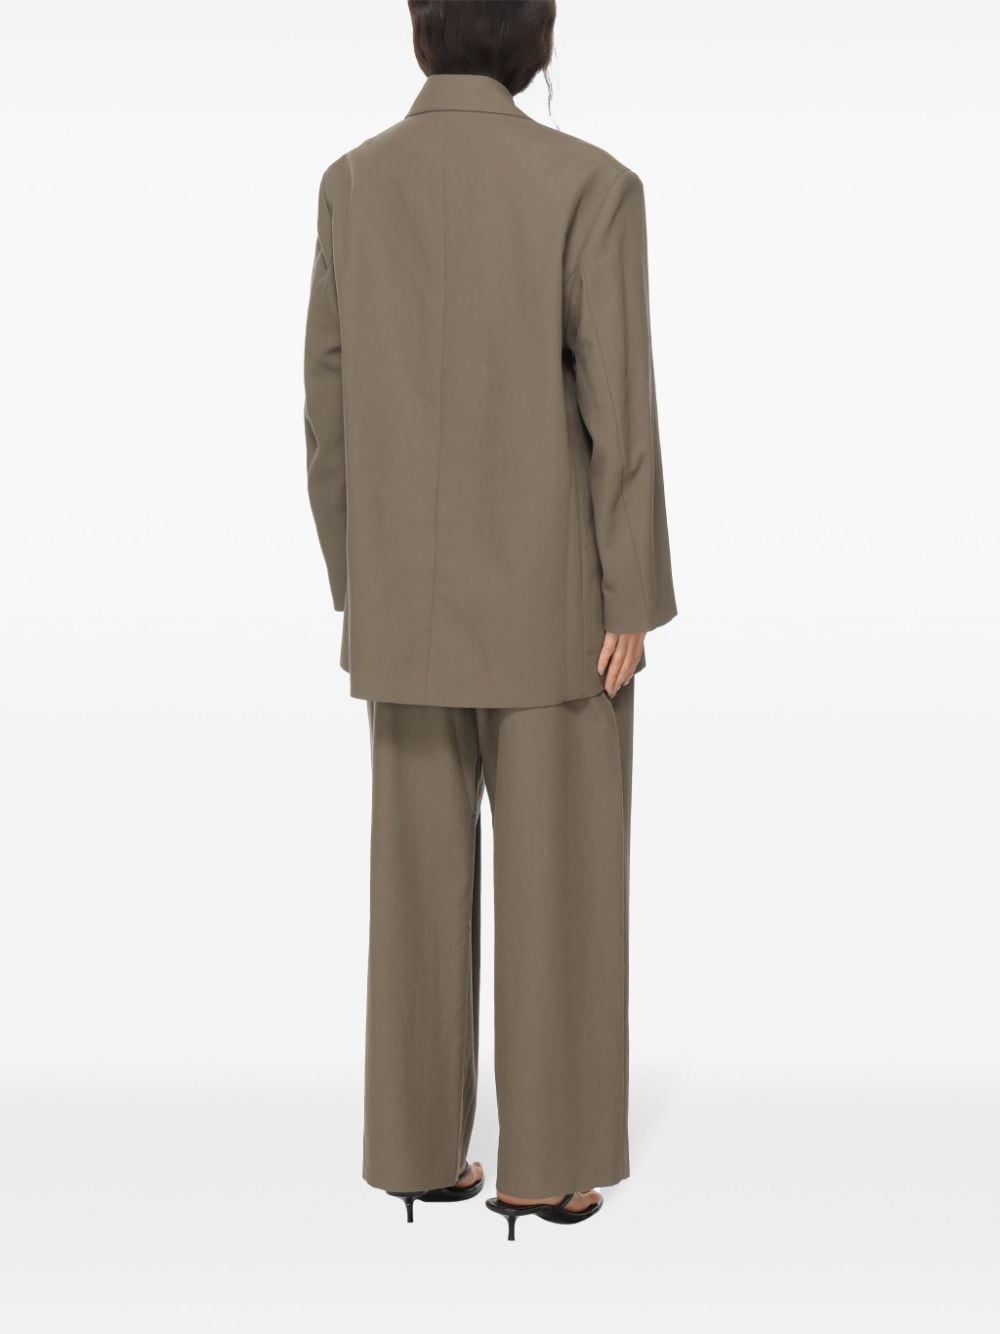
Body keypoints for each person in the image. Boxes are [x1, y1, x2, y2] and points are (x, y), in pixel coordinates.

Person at [303, 0, 676, 1240]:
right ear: (537, 42)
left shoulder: (353, 185)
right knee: (560, 888)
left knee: (413, 887)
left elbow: (327, 403)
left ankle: (415, 1151)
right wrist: (631, 592)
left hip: (402, 604)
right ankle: (542, 1166)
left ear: (420, 36)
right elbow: (619, 408)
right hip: (555, 607)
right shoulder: (591, 186)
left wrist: (358, 577)